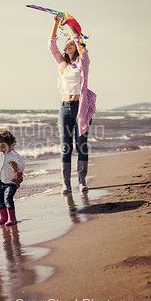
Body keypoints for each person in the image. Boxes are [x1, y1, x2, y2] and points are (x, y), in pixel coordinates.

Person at [49, 15, 96, 194]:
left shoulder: (82, 62)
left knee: (81, 144)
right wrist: (55, 24)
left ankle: (82, 180)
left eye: (71, 44)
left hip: (80, 107)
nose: (67, 45)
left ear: (76, 47)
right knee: (65, 146)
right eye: (66, 44)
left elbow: (80, 43)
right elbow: (51, 46)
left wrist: (70, 26)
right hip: (64, 107)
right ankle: (66, 183)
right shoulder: (62, 64)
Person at [0, 130, 25, 226]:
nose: (0, 149)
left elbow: (22, 165)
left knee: (8, 198)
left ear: (10, 144)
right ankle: (3, 218)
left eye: (3, 147)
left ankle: (12, 218)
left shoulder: (14, 155)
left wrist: (17, 166)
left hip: (11, 182)